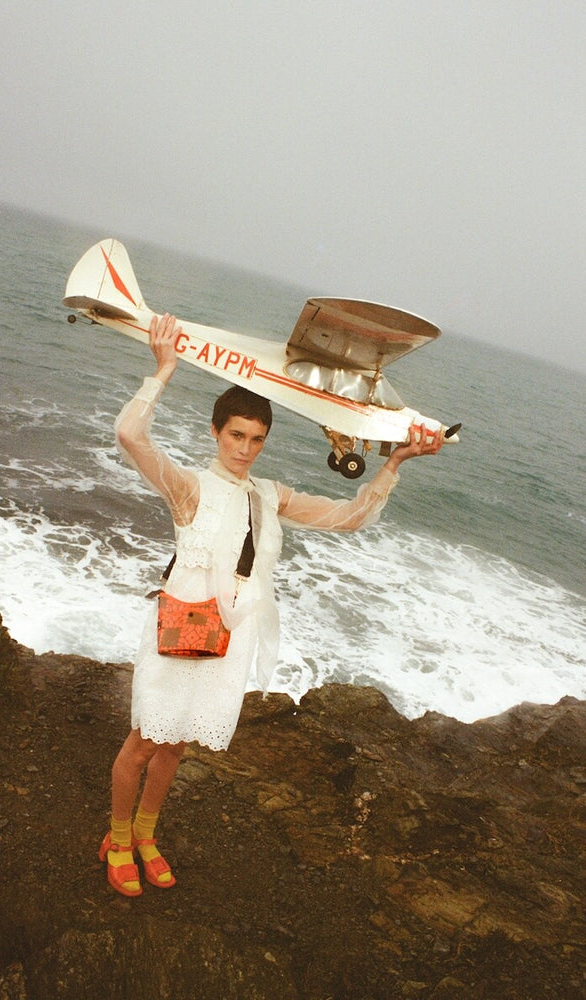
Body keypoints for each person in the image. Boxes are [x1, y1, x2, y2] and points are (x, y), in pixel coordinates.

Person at [99, 312, 443, 897]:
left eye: (257, 440)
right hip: (180, 628)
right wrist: (163, 370)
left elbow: (349, 517)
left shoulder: (268, 494)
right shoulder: (188, 488)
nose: (246, 450)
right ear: (216, 432)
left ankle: (149, 834)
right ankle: (117, 838)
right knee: (143, 743)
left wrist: (392, 465)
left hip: (229, 639)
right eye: (236, 435)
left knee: (177, 745)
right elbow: (131, 436)